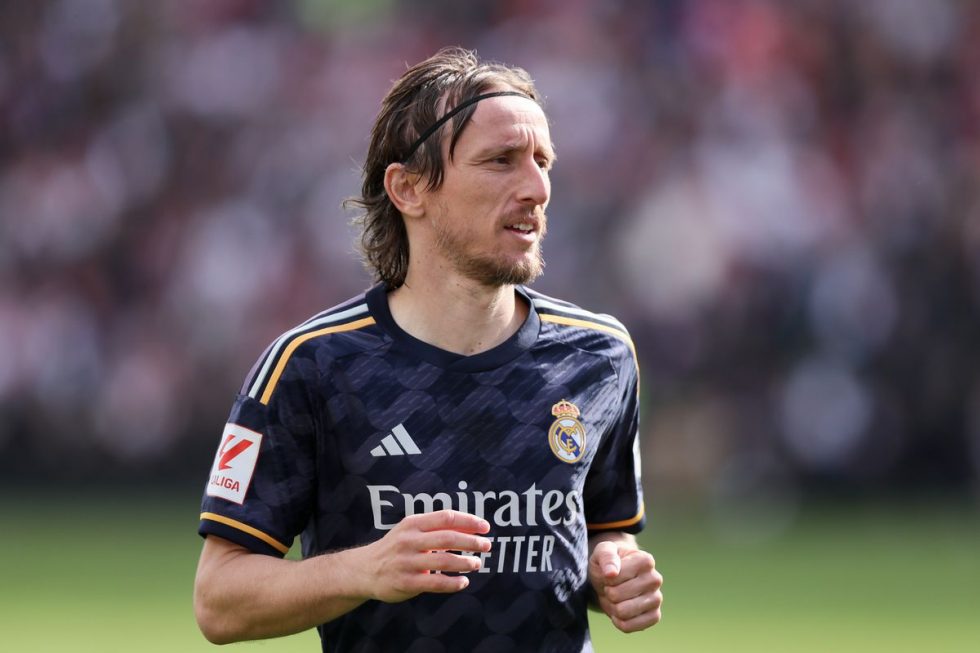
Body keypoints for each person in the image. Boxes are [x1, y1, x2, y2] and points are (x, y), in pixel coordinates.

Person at [193, 46, 663, 652]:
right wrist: (364, 570)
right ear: (409, 189)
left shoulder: (600, 356)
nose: (537, 188)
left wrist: (615, 572)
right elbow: (219, 601)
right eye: (501, 161)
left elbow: (605, 532)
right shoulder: (311, 366)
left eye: (543, 162)